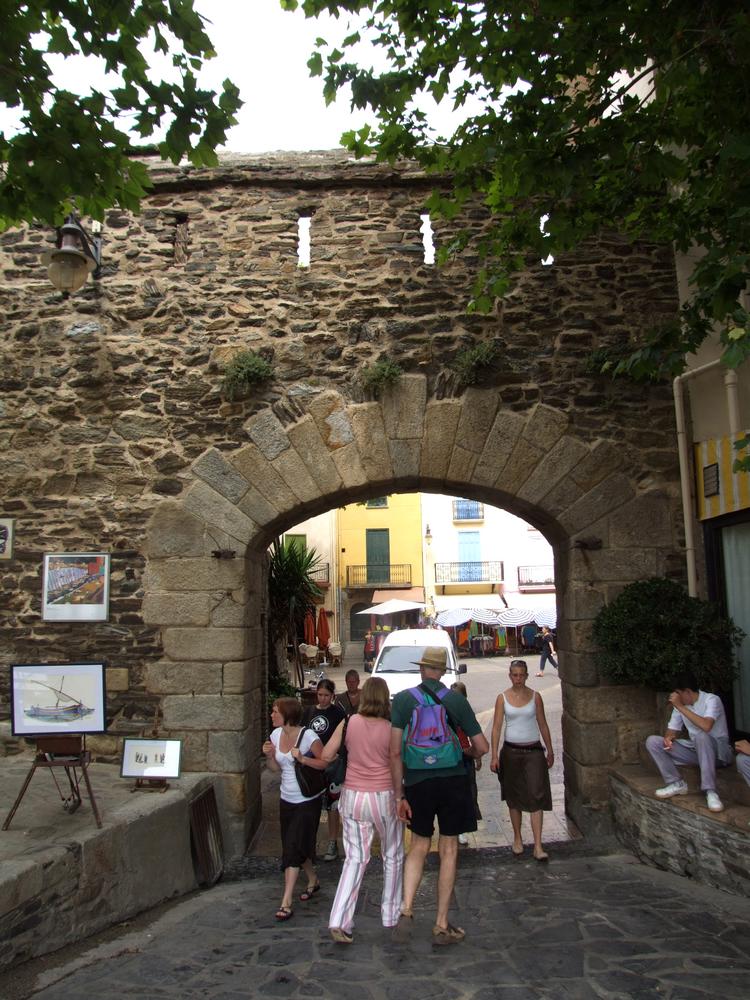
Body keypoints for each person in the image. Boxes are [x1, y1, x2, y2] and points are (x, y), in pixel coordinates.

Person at [390, 646, 489, 945]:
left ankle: (407, 908)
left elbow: (394, 752)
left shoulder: (403, 700)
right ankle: (442, 923)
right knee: (448, 849)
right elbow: (482, 746)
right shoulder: (456, 700)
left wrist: (399, 795)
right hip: (452, 781)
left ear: (422, 669)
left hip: (417, 781)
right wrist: (465, 753)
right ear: (443, 671)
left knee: (419, 845)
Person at [325, 677, 403, 944]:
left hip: (353, 796)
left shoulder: (349, 722)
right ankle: (390, 915)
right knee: (393, 855)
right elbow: (397, 761)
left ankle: (339, 919)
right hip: (383, 796)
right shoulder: (391, 728)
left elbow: (327, 754)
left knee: (355, 859)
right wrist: (400, 795)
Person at [262, 697, 326, 922]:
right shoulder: (275, 735)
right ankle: (313, 879)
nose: (271, 715)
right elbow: (275, 769)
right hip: (286, 799)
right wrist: (270, 756)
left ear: (287, 714)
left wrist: (304, 760)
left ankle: (286, 901)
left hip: (307, 800)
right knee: (295, 842)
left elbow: (325, 762)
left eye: (275, 711)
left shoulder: (308, 736)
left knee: (292, 847)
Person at [490, 659, 554, 861]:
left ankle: (538, 845)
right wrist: (494, 755)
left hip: (533, 751)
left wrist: (550, 749)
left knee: (536, 794)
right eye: (514, 675)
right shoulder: (502, 698)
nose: (518, 679)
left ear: (526, 676)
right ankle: (517, 837)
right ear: (510, 676)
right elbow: (496, 727)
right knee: (514, 796)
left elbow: (542, 723)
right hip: (511, 752)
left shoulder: (536, 697)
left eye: (521, 675)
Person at [645, 672, 733, 812]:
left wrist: (680, 707)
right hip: (697, 751)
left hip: (720, 755)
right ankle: (676, 783)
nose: (676, 697)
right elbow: (671, 730)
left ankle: (710, 791)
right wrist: (669, 739)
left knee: (701, 736)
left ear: (687, 691)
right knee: (653, 742)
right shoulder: (681, 706)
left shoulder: (711, 700)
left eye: (678, 693)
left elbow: (706, 726)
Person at [304, 678, 347, 860]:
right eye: (320, 695)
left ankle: (332, 841)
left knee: (332, 805)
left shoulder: (338, 713)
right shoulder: (308, 712)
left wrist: (337, 754)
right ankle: (309, 842)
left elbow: (344, 736)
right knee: (310, 804)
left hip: (332, 766)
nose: (322, 698)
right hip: (312, 764)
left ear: (332, 696)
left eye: (326, 695)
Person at [450, 681, 483, 846]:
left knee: (468, 791)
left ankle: (462, 827)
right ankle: (456, 827)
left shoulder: (466, 713)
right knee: (454, 793)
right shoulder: (446, 712)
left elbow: (473, 734)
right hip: (451, 757)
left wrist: (477, 756)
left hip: (466, 755)